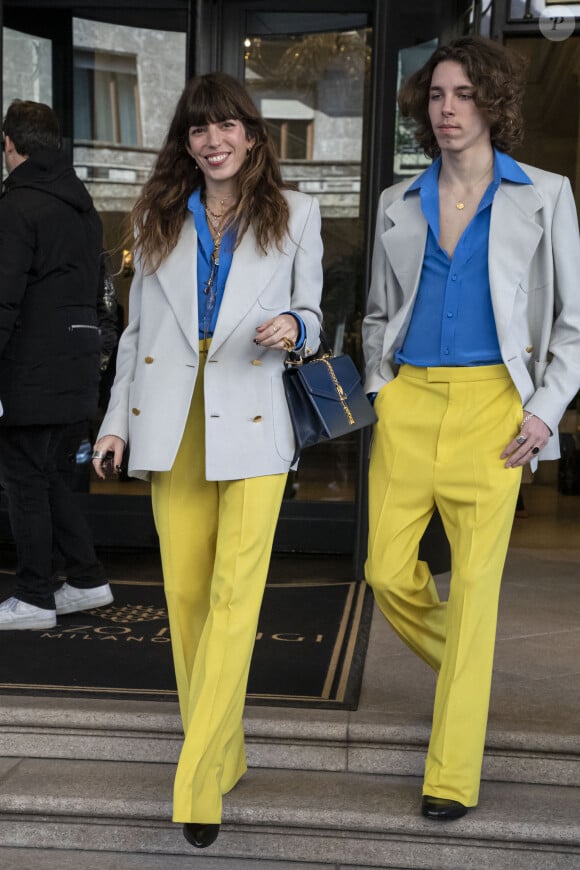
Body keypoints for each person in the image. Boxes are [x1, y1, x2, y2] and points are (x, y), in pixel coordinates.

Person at [92, 72, 323, 849]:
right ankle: (222, 750)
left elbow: (319, 314)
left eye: (227, 126)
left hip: (252, 419)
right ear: (185, 143)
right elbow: (134, 333)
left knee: (235, 597)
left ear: (253, 135)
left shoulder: (296, 214)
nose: (213, 140)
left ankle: (196, 782)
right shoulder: (157, 213)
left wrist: (295, 321)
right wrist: (114, 423)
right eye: (198, 130)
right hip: (168, 419)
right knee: (187, 597)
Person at [363, 36, 580, 821]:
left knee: (478, 589)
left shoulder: (545, 194)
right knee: (387, 573)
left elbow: (573, 324)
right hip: (411, 403)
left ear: (491, 102)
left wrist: (544, 407)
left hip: (496, 408)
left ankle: (451, 774)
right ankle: (471, 671)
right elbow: (380, 312)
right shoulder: (398, 199)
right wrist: (381, 387)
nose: (447, 110)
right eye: (435, 96)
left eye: (462, 94)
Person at [0, 100, 114, 630]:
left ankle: (34, 597)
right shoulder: (82, 207)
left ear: (10, 146)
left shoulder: (17, 207)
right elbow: (96, 295)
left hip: (29, 371)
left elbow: (3, 299)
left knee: (25, 480)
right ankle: (87, 579)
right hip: (76, 367)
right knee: (51, 480)